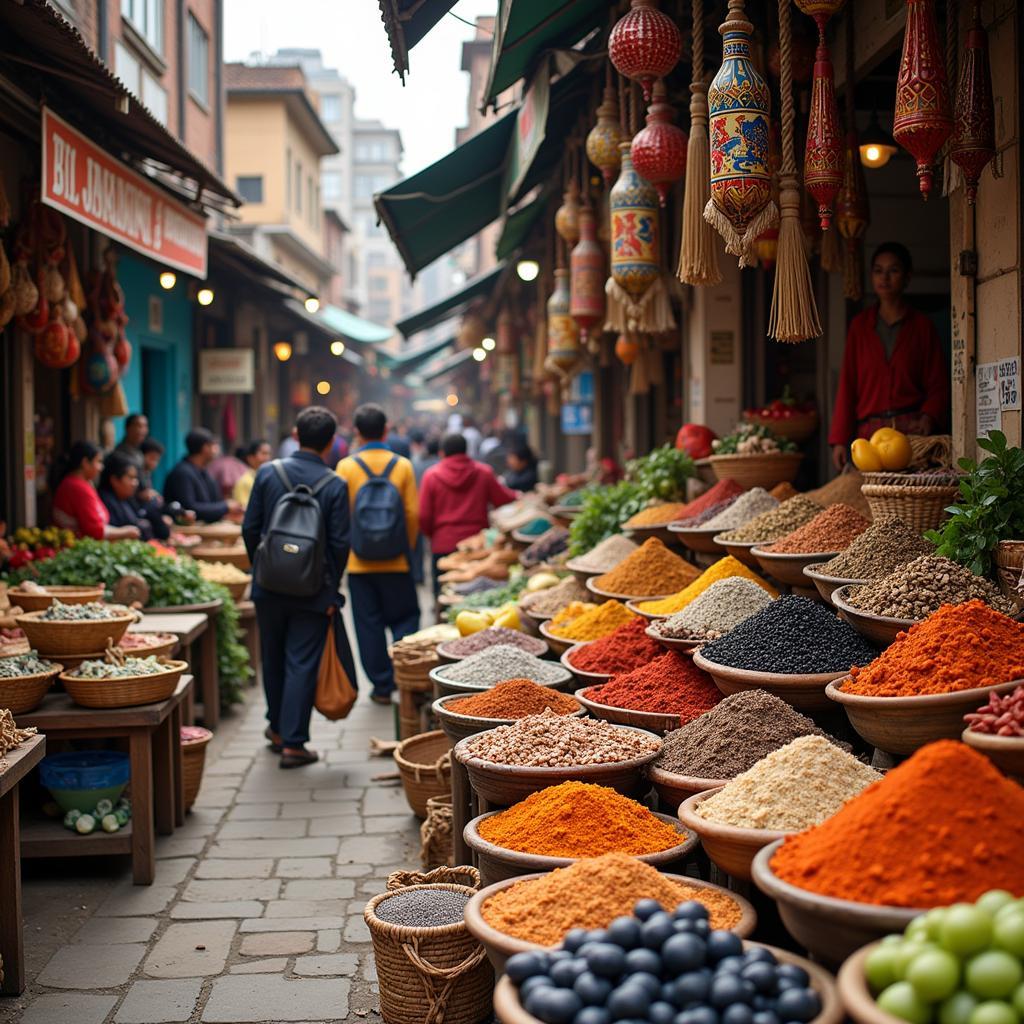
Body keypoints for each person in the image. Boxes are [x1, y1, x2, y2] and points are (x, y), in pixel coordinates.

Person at [243, 406, 357, 768]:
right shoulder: (334, 484)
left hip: (268, 588)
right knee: (301, 662)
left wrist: (263, 569)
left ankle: (277, 730)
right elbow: (340, 544)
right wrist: (330, 589)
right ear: (331, 443)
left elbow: (250, 528)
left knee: (272, 658)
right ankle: (293, 743)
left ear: (295, 435)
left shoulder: (267, 473)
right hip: (312, 592)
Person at [829, 242, 950, 470]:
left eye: (893, 270)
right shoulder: (860, 327)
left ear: (907, 276)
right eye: (878, 270)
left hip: (911, 437)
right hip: (868, 437)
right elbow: (848, 385)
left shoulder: (923, 327)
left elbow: (938, 383)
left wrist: (929, 417)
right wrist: (838, 440)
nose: (885, 278)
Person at [336, 403, 420, 704]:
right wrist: (405, 548)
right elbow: (412, 514)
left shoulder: (346, 467)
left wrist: (345, 552)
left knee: (367, 625)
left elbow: (341, 515)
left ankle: (382, 686)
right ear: (386, 430)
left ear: (356, 433)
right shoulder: (403, 466)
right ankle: (405, 674)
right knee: (407, 618)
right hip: (396, 562)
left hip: (359, 564)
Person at [419, 433, 517, 598]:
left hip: (443, 544)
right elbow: (503, 499)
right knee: (477, 596)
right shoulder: (483, 472)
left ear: (442, 453)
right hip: (479, 546)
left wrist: (434, 536)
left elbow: (423, 516)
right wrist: (520, 496)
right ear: (466, 451)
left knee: (444, 596)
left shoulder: (431, 476)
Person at [51, 442, 141, 540]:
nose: (101, 468)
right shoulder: (77, 487)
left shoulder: (79, 484)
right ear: (85, 463)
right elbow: (95, 530)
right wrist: (125, 532)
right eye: (98, 462)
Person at [163, 428, 242, 523]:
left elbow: (213, 502)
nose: (217, 449)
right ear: (205, 448)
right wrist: (225, 506)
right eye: (214, 445)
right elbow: (190, 507)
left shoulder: (204, 472)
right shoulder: (182, 473)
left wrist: (228, 511)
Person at [98, 452, 170, 541]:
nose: (135, 483)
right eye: (131, 478)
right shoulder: (105, 503)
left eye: (135, 478)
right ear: (115, 480)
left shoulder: (127, 499)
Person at [232, 439, 272, 508]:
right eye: (264, 454)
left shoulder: (268, 478)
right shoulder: (244, 482)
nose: (267, 458)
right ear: (251, 458)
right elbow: (244, 508)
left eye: (269, 454)